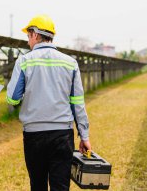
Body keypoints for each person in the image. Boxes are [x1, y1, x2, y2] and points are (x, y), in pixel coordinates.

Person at [6, 14, 91, 191]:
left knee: (37, 185)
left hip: (34, 135)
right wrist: (84, 135)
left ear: (35, 35)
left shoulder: (24, 61)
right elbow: (77, 102)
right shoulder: (70, 63)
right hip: (62, 134)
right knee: (60, 186)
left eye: (28, 36)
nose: (28, 41)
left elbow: (12, 98)